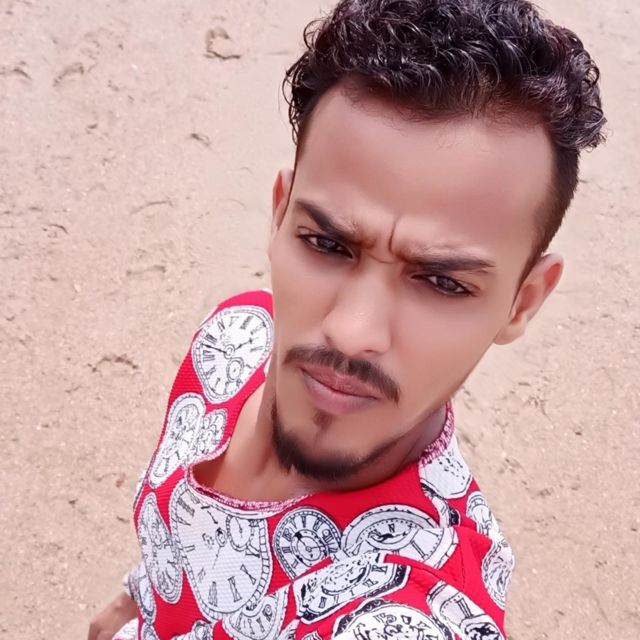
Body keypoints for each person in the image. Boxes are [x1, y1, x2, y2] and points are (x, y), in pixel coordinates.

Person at [88, 0, 605, 638]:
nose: (352, 331)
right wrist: (136, 599)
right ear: (280, 216)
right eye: (327, 245)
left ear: (522, 303)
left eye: (443, 282)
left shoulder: (414, 616)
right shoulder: (234, 339)